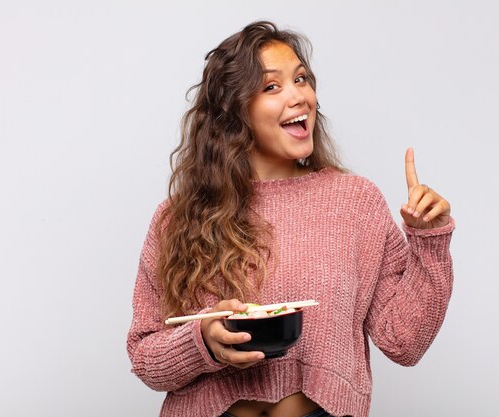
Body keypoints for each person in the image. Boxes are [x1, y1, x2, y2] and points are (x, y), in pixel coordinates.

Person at [127, 21, 454, 417]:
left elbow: (403, 342)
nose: (299, 95)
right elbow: (145, 357)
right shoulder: (176, 219)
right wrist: (202, 343)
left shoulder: (355, 203)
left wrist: (430, 240)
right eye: (272, 86)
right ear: (235, 111)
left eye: (301, 79)